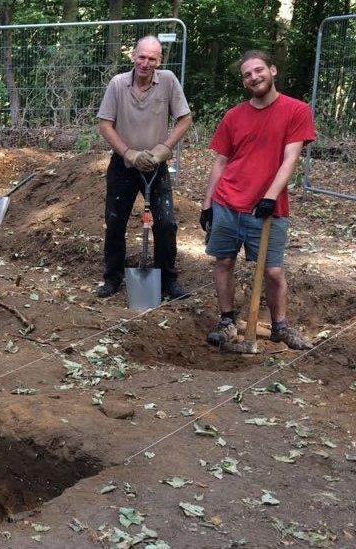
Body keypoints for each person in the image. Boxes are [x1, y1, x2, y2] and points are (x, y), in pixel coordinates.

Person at [202, 50, 315, 350]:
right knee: (223, 261)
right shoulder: (234, 115)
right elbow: (221, 161)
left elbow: (291, 158)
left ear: (272, 70)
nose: (254, 77)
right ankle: (227, 321)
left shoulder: (297, 110)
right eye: (247, 75)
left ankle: (280, 327)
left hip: (267, 208)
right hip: (227, 202)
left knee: (273, 270)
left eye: (258, 70)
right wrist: (207, 204)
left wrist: (269, 196)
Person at [96, 36, 192, 300]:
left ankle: (167, 280)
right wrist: (128, 153)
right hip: (123, 166)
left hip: (155, 166)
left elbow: (185, 119)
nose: (145, 63)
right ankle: (113, 277)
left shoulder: (169, 81)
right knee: (115, 222)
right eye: (141, 57)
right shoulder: (118, 84)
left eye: (152, 58)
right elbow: (105, 124)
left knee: (166, 223)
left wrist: (163, 150)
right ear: (133, 56)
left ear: (159, 61)